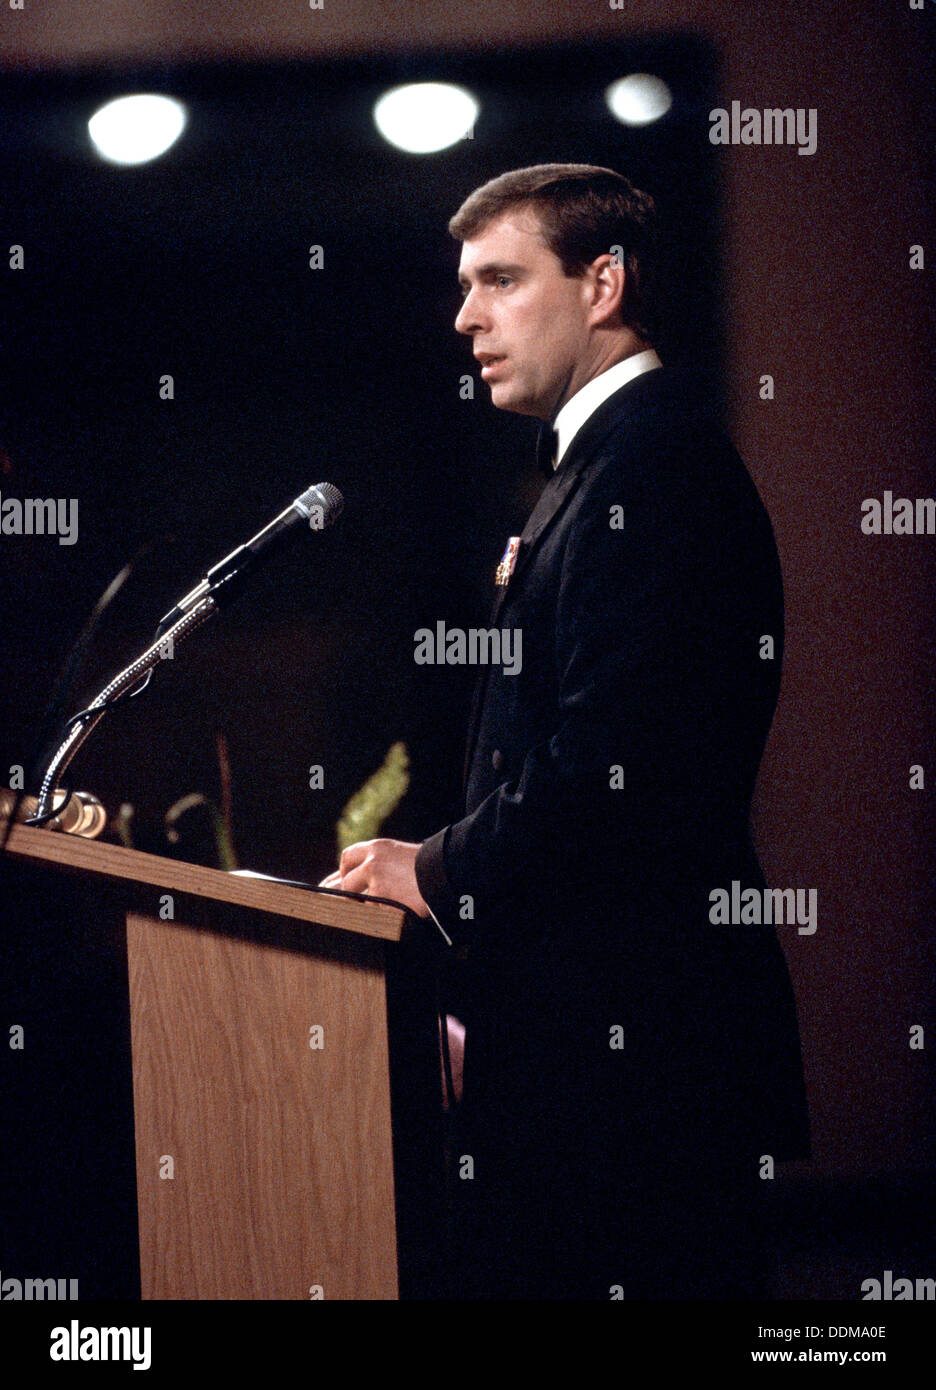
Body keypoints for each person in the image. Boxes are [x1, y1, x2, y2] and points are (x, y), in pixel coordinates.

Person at [319, 164, 810, 1299]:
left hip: (640, 1069)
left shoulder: (659, 470)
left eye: (500, 278)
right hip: (586, 1053)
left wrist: (430, 865)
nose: (466, 317)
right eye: (463, 285)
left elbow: (618, 776)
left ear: (604, 282)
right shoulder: (605, 468)